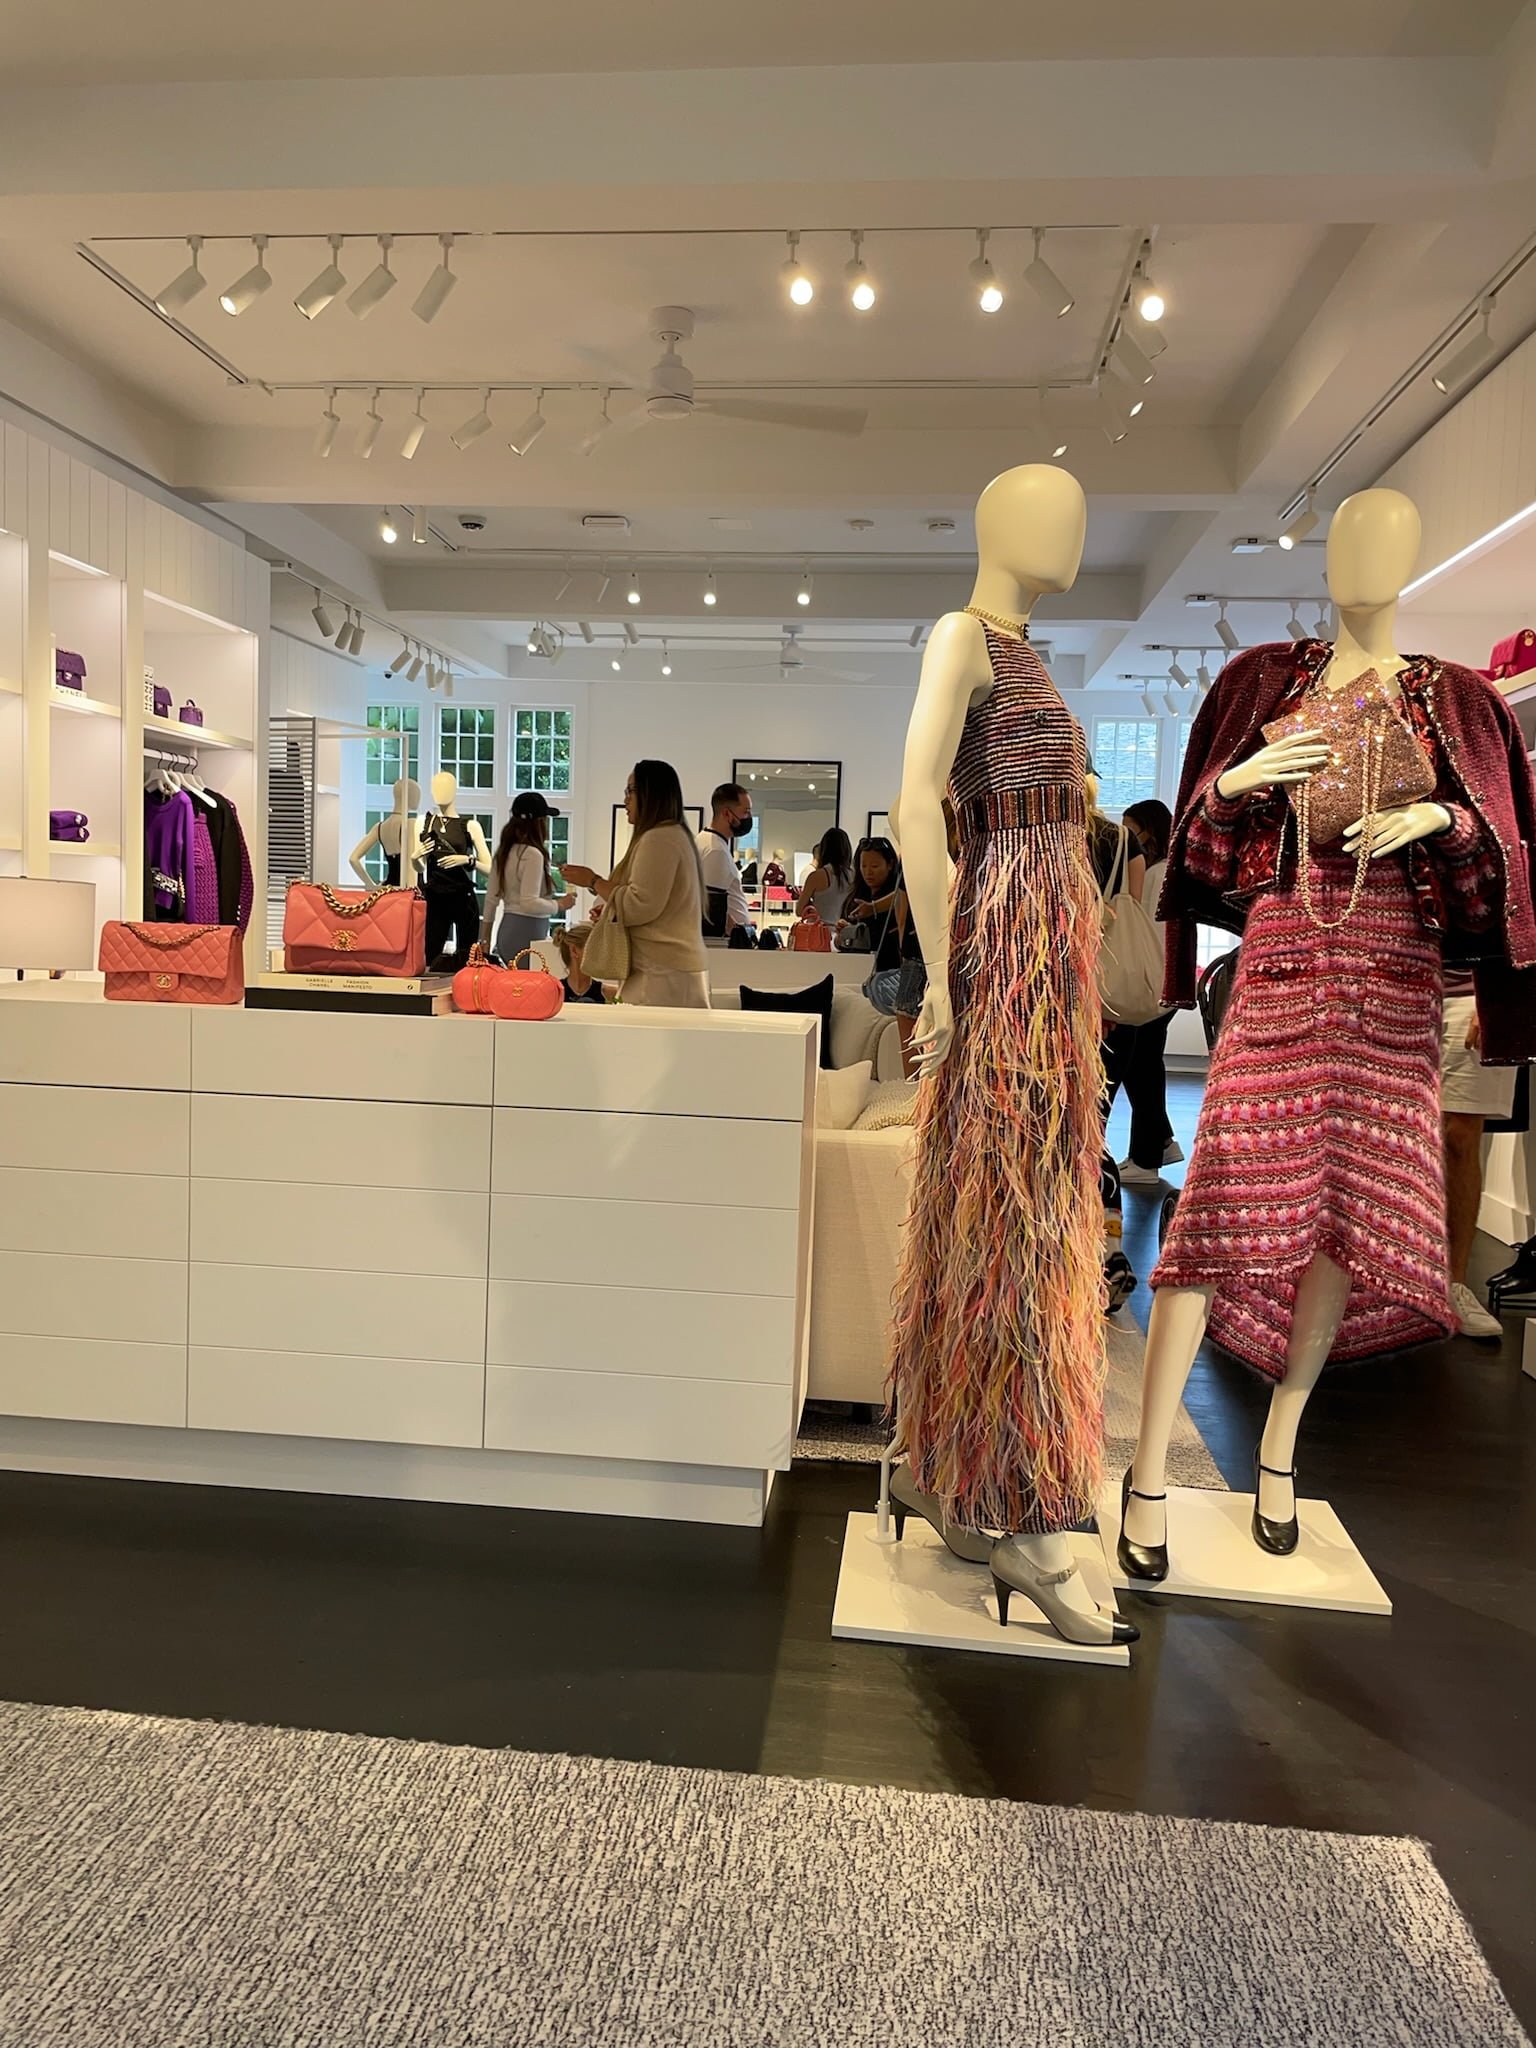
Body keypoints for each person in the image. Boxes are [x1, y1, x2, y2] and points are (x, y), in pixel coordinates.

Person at [563, 760, 710, 1008]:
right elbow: (647, 902)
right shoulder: (670, 836)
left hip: (662, 972)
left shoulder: (660, 838)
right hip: (666, 969)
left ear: (650, 794)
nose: (625, 800)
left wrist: (593, 880)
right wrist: (610, 909)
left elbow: (639, 905)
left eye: (631, 790)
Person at [1106, 798, 1183, 1184]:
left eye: (1131, 828)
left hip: (1152, 986)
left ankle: (1149, 1155)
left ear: (1148, 831)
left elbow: (1148, 935)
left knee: (1138, 1067)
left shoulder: (1157, 874)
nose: (1126, 836)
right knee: (1144, 1066)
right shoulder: (1164, 870)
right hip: (1162, 985)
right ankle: (1157, 1144)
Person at [1441, 977, 1513, 1337]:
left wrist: (1500, 996)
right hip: (1394, 987)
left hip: (1473, 992)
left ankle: (1454, 1284)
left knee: (1461, 1138)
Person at [482, 792, 575, 964]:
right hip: (527, 931)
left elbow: (491, 899)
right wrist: (560, 904)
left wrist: (484, 939)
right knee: (528, 987)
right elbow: (529, 902)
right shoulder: (533, 854)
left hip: (507, 931)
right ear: (539, 822)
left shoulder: (503, 853)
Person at [696, 782, 755, 938]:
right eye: (746, 812)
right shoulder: (715, 850)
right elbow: (713, 909)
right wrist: (738, 933)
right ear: (727, 814)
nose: (749, 817)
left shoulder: (710, 842)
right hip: (727, 943)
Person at [796, 827, 855, 929]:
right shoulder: (854, 876)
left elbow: (799, 910)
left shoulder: (816, 876)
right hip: (843, 932)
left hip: (817, 931)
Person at [553, 921, 607, 1005]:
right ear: (574, 951)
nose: (601, 955)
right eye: (594, 949)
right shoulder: (554, 991)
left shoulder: (608, 993)